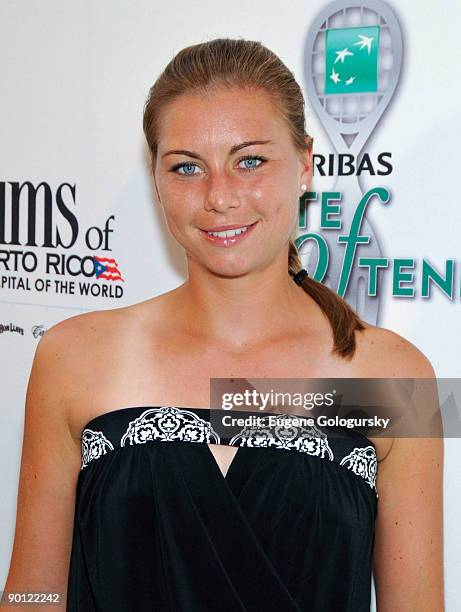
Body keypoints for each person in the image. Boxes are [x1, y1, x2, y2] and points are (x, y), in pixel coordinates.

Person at [1, 38, 443, 611]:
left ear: (306, 165)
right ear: (155, 179)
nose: (219, 197)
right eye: (187, 167)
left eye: (250, 161)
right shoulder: (75, 355)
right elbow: (33, 594)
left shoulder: (396, 376)